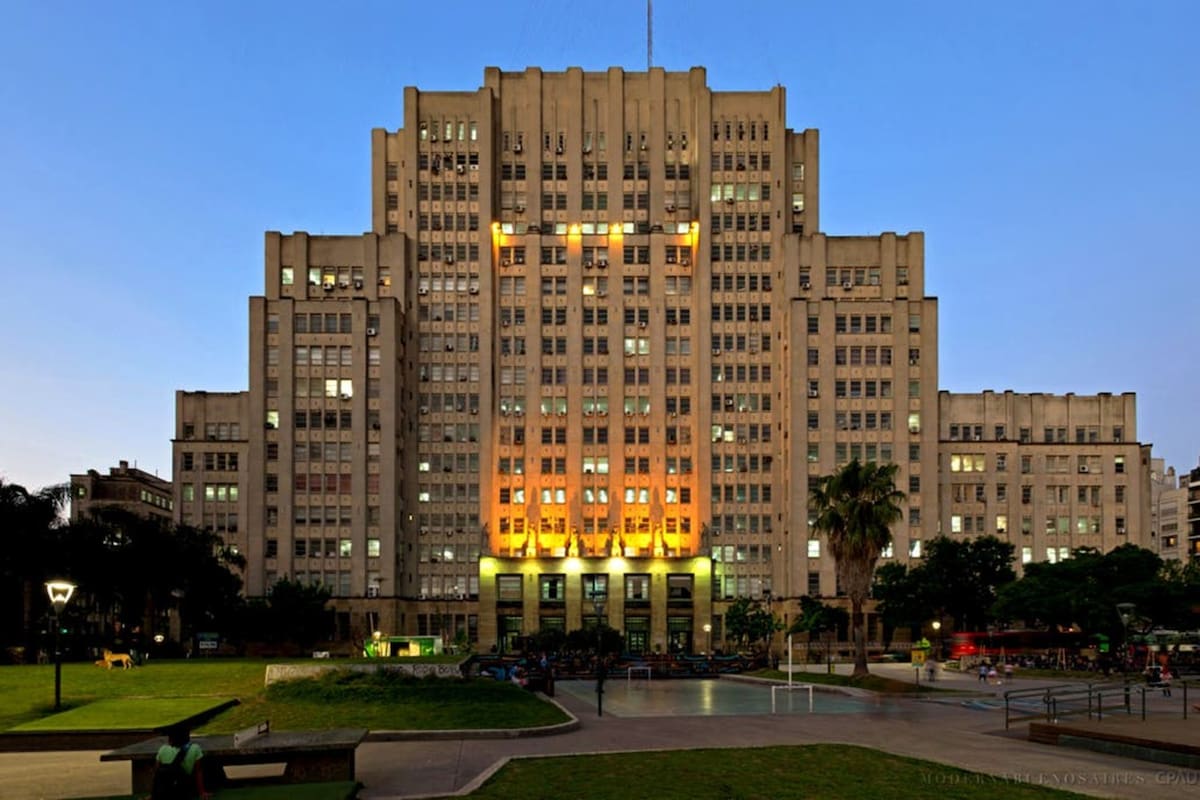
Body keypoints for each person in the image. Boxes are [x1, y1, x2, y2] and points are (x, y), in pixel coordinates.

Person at [152, 724, 208, 799]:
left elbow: (156, 774)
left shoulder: (162, 749)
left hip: (165, 791)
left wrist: (153, 795)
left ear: (170, 739)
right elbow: (199, 772)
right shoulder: (195, 748)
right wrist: (202, 792)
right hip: (183, 791)